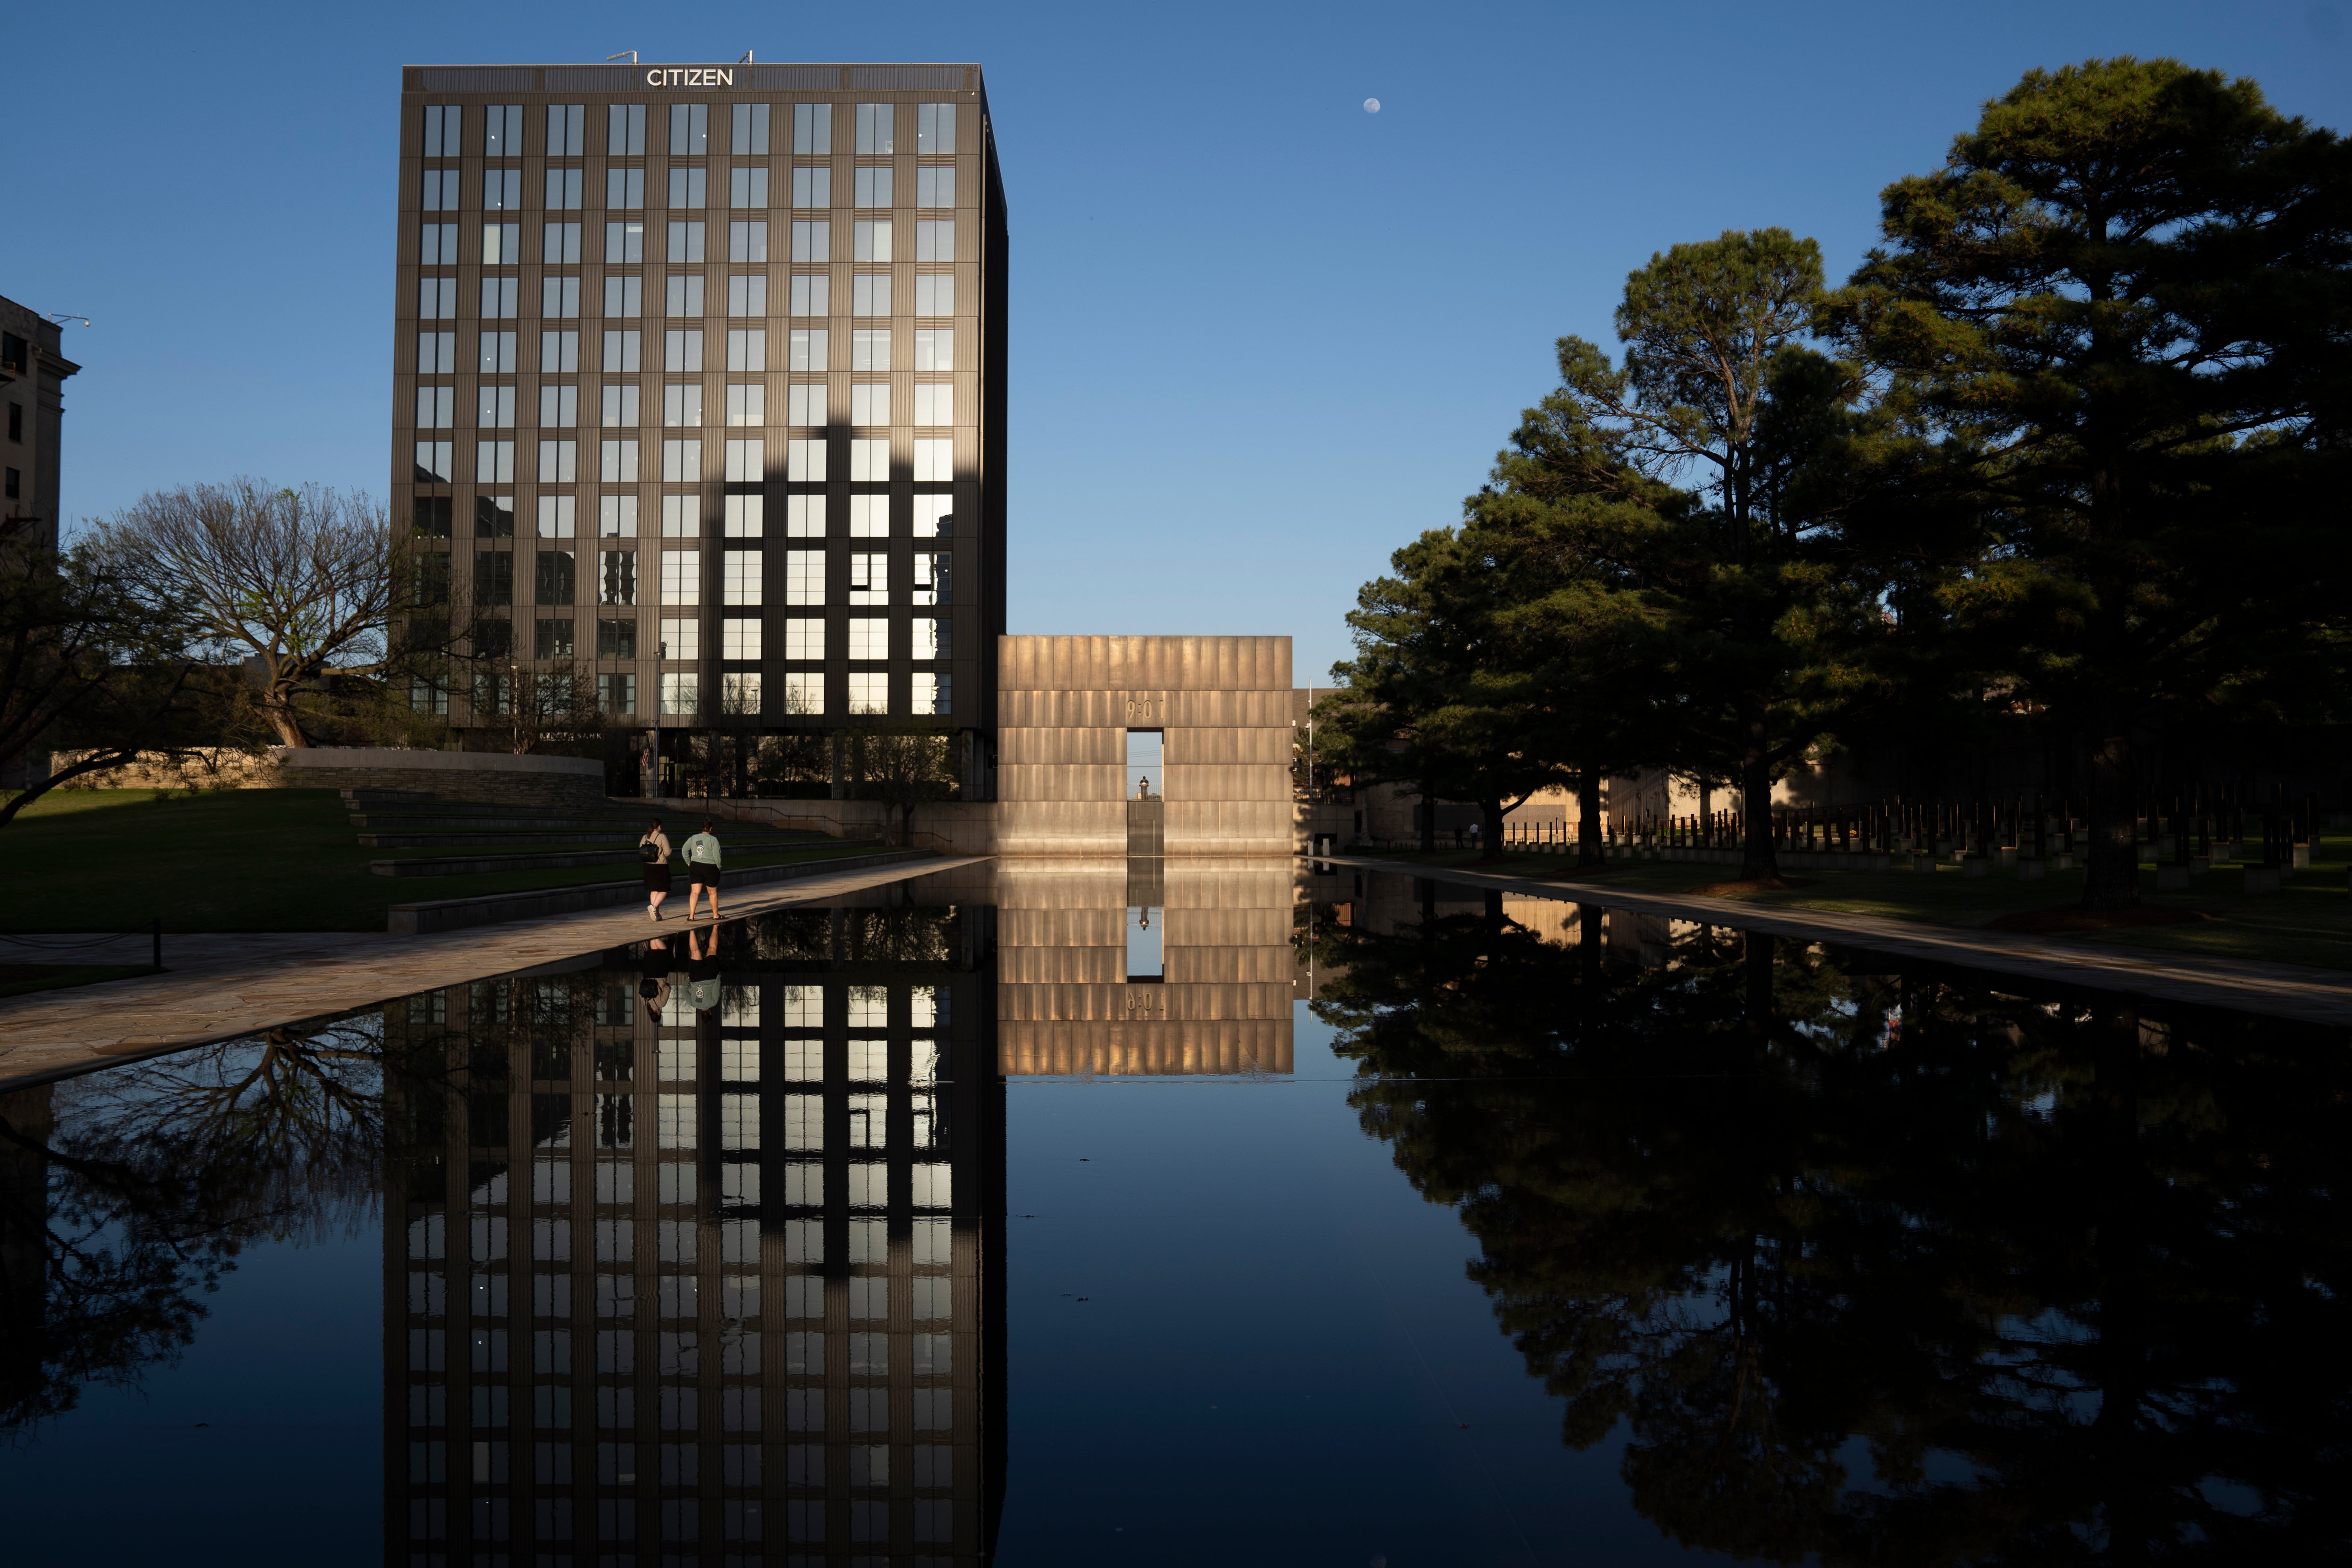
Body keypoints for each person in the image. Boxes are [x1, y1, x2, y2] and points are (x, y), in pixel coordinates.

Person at [681, 817, 724, 921]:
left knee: (695, 892)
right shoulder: (714, 840)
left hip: (696, 866)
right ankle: (715, 915)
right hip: (710, 867)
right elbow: (717, 856)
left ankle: (691, 916)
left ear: (702, 828)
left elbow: (684, 850)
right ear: (711, 829)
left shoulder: (693, 838)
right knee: (713, 893)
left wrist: (689, 863)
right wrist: (719, 867)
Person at [640, 819, 673, 920]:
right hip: (660, 866)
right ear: (659, 827)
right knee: (664, 888)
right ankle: (653, 907)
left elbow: (641, 850)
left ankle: (656, 915)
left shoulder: (645, 836)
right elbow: (667, 852)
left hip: (648, 866)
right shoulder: (662, 836)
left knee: (654, 889)